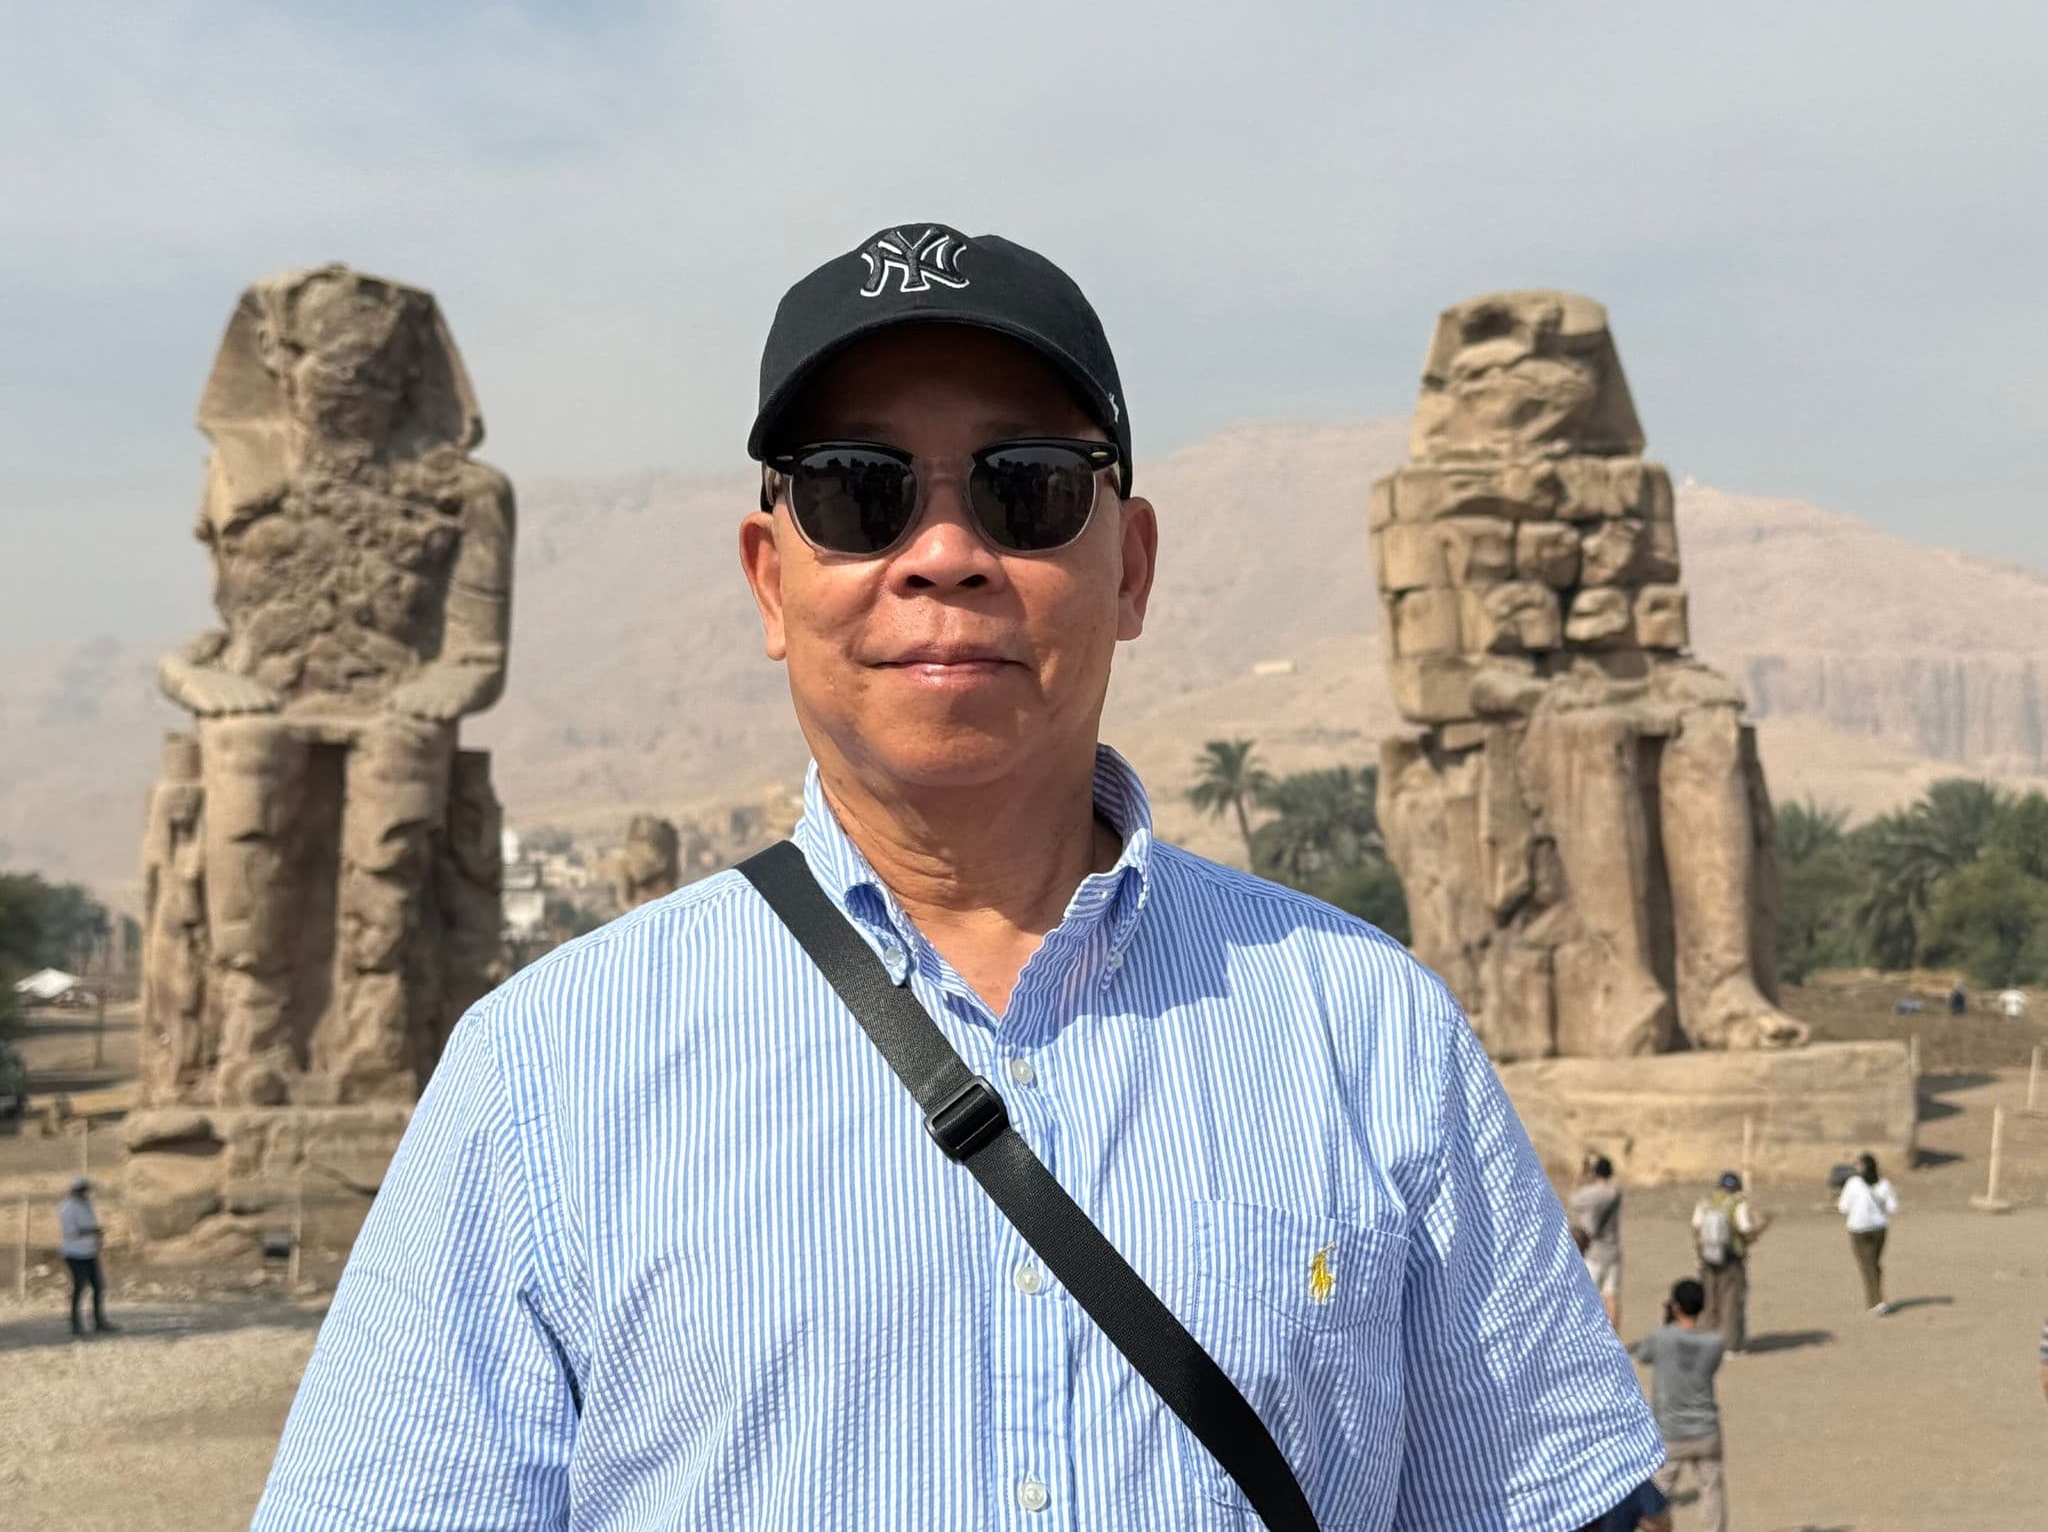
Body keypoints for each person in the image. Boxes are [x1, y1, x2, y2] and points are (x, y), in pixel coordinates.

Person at [255, 224, 1664, 1528]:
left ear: (1132, 567)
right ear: (768, 578)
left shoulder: (1368, 1031)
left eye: (1028, 489)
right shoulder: (548, 1074)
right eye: (857, 494)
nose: (943, 555)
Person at [1631, 1279, 1727, 1532]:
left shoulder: (1661, 1338)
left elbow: (1643, 1354)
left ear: (1674, 1306)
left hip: (1669, 1434)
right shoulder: (1714, 1343)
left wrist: (1665, 1321)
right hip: (1706, 1430)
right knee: (1712, 1493)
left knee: (1656, 1497)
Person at [1690, 1170, 1763, 1352]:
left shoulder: (1705, 1203)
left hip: (1707, 1259)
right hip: (1731, 1260)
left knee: (1708, 1301)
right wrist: (1759, 1229)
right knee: (1731, 1303)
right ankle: (1730, 1346)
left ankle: (1706, 1341)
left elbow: (1696, 1229)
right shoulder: (1738, 1205)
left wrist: (1700, 1253)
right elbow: (1745, 1230)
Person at [1838, 1151, 1899, 1315]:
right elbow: (1893, 1207)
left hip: (1859, 1229)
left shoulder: (1853, 1183)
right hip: (1880, 1228)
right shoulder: (1884, 1184)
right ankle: (1873, 1301)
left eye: (1859, 1164)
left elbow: (1843, 1207)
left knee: (1868, 1265)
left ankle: (1878, 1301)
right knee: (1873, 1264)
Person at [1571, 1153, 1626, 1331]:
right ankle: (1615, 1338)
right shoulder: (1615, 1193)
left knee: (1586, 1295)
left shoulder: (1590, 1193)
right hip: (1613, 1250)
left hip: (1594, 1252)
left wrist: (1581, 1177)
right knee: (1611, 1297)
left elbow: (1573, 1201)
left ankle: (1584, 1333)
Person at [57, 1176, 116, 1337]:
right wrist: (92, 1231)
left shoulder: (87, 1204)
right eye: (84, 1189)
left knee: (98, 1287)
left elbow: (91, 1225)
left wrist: (97, 1238)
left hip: (89, 1252)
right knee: (79, 1287)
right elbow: (70, 1233)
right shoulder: (67, 1208)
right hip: (74, 1253)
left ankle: (99, 1321)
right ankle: (76, 1323)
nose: (86, 1192)